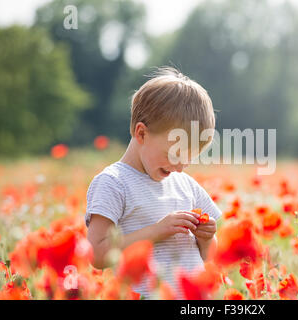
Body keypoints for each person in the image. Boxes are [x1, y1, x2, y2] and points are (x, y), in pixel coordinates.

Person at [85, 67, 221, 299]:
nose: (181, 166)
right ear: (142, 134)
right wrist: (156, 231)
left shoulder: (186, 185)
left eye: (190, 158)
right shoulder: (113, 183)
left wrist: (206, 238)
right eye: (175, 155)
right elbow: (96, 254)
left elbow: (210, 257)